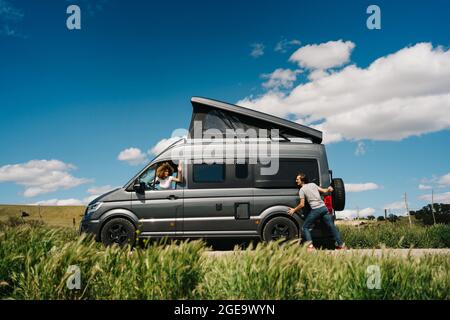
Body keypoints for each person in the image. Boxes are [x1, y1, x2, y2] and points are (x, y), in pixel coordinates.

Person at [287, 173, 345, 251]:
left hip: (316, 209)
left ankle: (310, 247)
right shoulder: (313, 184)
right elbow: (324, 191)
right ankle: (341, 245)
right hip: (324, 208)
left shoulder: (302, 190)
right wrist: (329, 189)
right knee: (331, 226)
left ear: (302, 180)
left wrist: (294, 210)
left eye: (298, 179)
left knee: (305, 227)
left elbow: (302, 204)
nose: (296, 181)